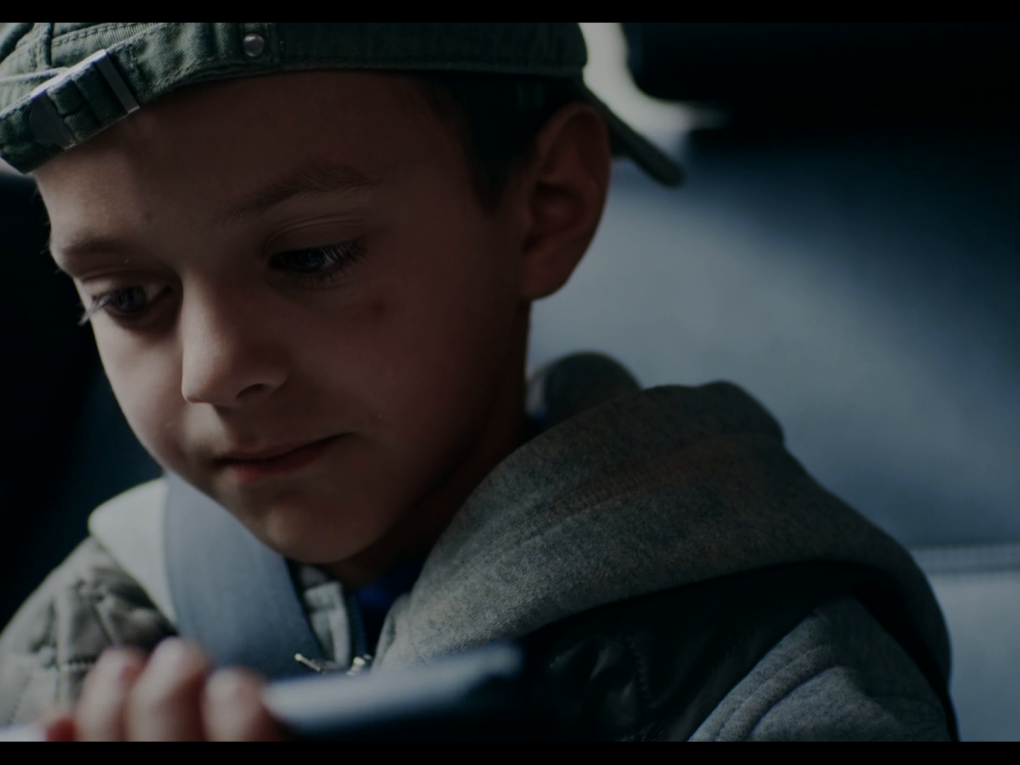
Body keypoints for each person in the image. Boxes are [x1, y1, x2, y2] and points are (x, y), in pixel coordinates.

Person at [0, 23, 954, 741]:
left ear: (544, 207)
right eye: (127, 297)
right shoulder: (84, 639)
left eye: (311, 257)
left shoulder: (766, 674)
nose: (213, 373)